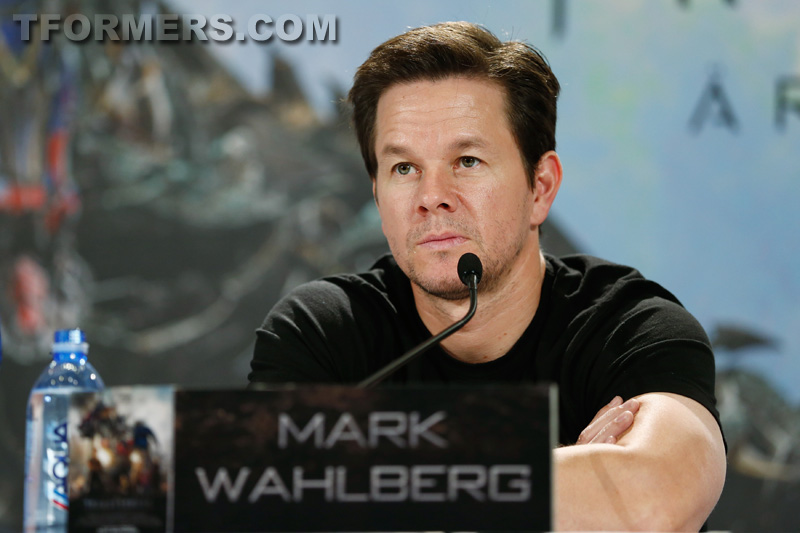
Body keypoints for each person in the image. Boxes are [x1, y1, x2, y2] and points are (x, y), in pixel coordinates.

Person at [249, 21, 726, 531]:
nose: (432, 196)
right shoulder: (321, 331)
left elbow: (654, 500)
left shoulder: (631, 327)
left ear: (540, 187)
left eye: (467, 161)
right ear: (378, 197)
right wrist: (564, 476)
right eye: (404, 168)